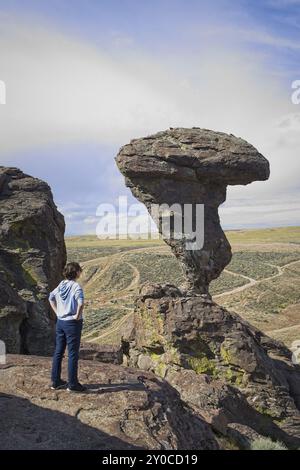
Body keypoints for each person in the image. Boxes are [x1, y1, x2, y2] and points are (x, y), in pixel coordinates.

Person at [49, 262, 86, 392]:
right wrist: (77, 315)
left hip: (61, 322)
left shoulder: (61, 284)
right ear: (76, 272)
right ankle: (73, 384)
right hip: (72, 323)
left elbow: (50, 297)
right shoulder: (76, 287)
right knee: (72, 354)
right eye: (80, 271)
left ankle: (55, 381)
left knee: (58, 351)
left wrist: (57, 312)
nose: (81, 273)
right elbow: (81, 303)